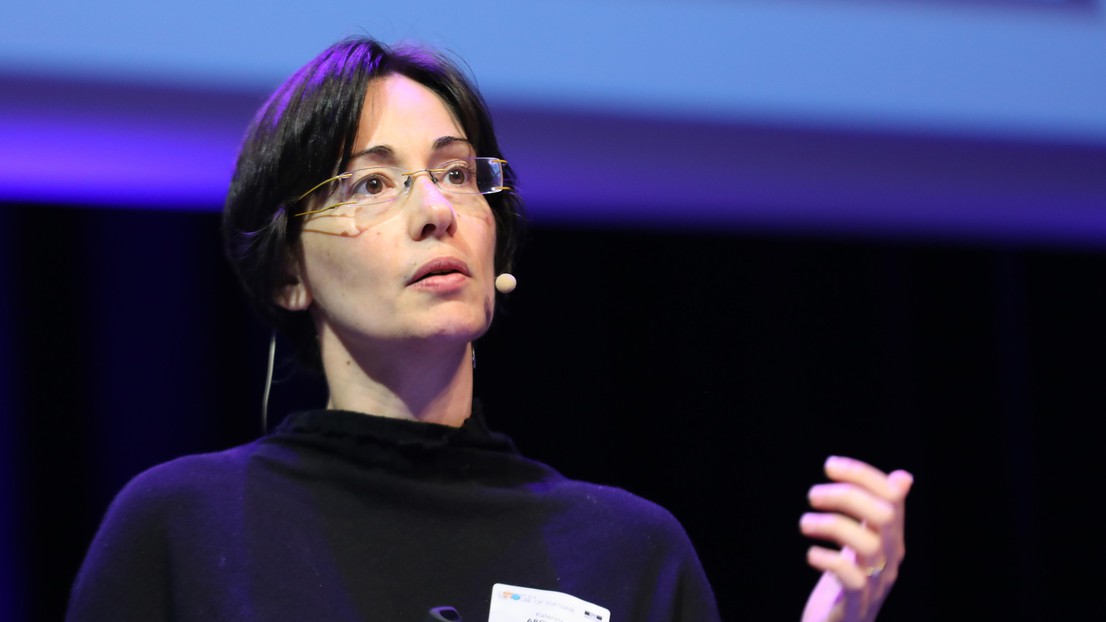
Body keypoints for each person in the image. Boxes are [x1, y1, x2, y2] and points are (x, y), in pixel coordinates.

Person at [65, 36, 913, 622]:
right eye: (370, 184)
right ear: (289, 272)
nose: (437, 211)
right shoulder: (181, 527)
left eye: (458, 173)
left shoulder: (627, 549)